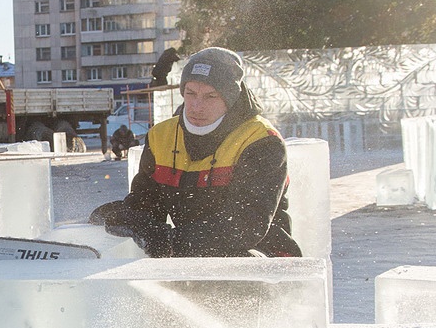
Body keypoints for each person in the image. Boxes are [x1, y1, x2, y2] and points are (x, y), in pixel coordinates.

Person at [91, 47, 302, 259]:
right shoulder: (161, 136)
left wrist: (170, 241)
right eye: (190, 93)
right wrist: (130, 215)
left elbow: (244, 226)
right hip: (190, 255)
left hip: (264, 258)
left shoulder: (260, 140)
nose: (196, 106)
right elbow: (150, 203)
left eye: (210, 96)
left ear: (230, 99)